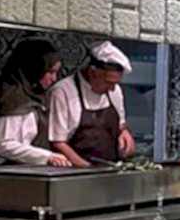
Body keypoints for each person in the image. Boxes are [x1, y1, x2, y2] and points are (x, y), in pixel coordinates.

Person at [49, 40, 136, 168]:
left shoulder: (115, 91)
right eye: (108, 82)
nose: (112, 89)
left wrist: (125, 133)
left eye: (115, 83)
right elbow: (58, 143)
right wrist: (87, 169)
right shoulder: (62, 91)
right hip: (74, 171)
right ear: (92, 72)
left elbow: (121, 125)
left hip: (110, 169)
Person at [0, 39, 70, 167]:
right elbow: (3, 145)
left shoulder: (35, 96)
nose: (54, 79)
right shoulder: (12, 98)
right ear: (35, 68)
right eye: (50, 72)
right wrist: (48, 156)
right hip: (2, 171)